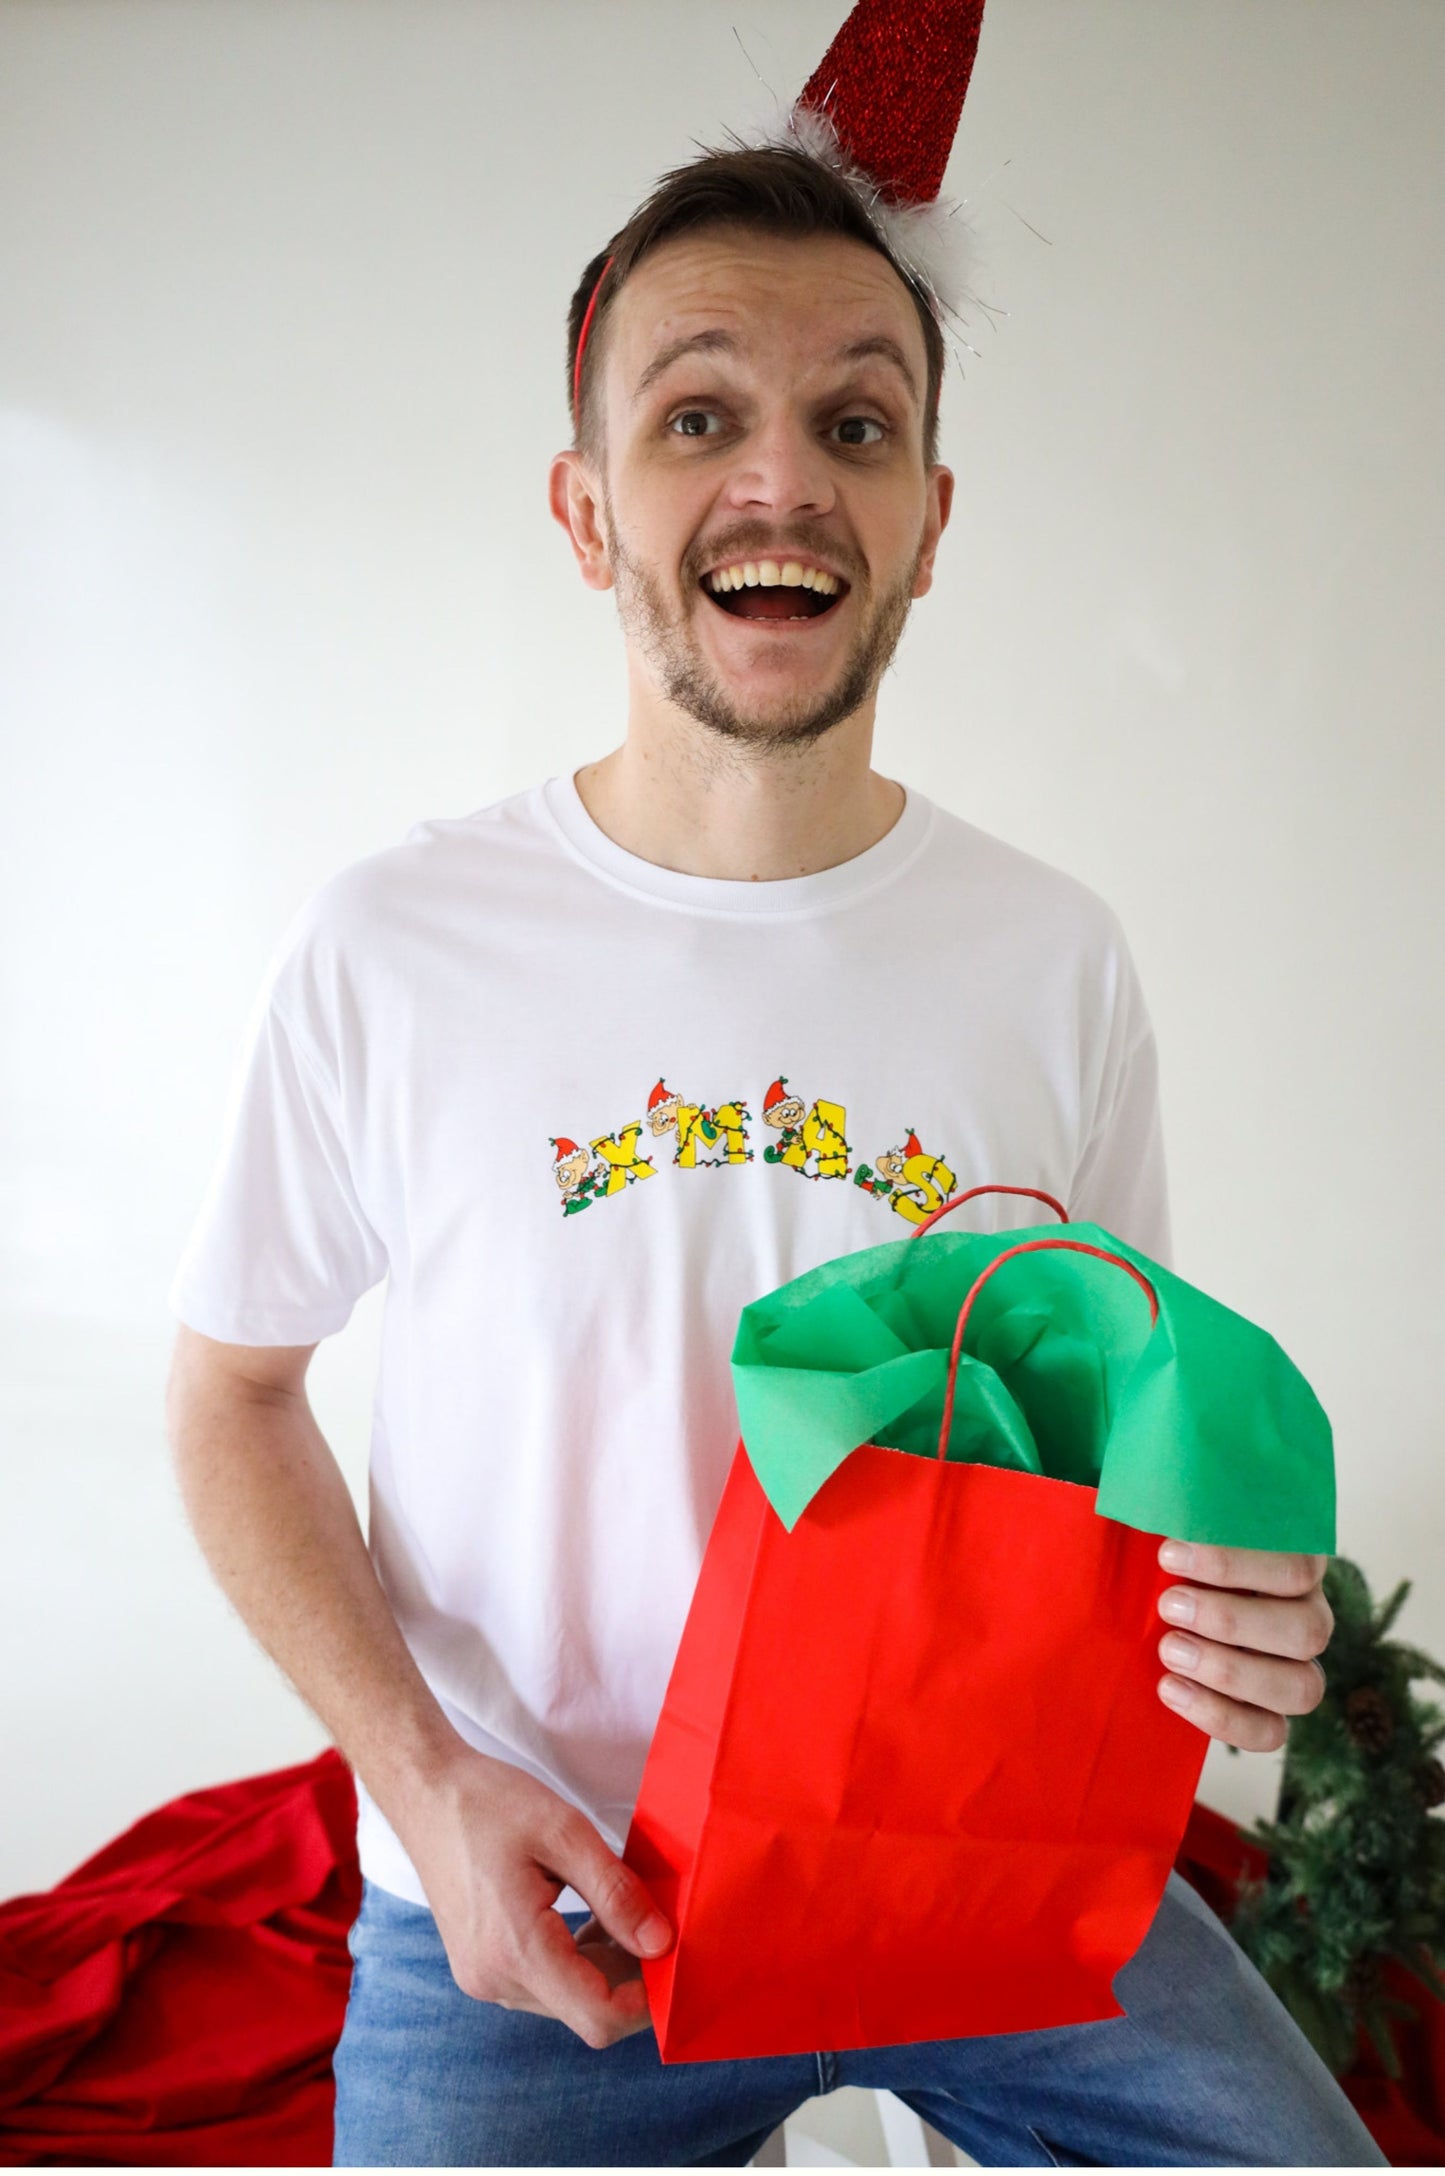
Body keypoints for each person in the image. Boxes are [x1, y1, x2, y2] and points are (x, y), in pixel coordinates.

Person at [165, 6, 1384, 2167]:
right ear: (583, 505)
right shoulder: (390, 944)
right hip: (530, 1918)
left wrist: (1233, 1605)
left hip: (981, 1874)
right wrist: (424, 1786)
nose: (782, 476)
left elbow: (1109, 1447)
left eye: (856, 419)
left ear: (928, 516)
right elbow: (227, 1395)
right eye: (698, 413)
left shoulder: (1056, 956)